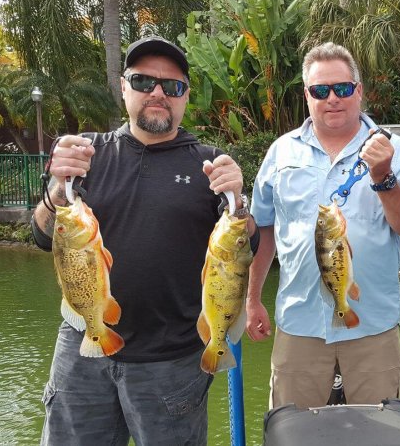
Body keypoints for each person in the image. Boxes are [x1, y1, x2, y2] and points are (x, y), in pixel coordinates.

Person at [31, 36, 258, 445]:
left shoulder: (208, 163)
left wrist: (239, 203)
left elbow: (245, 250)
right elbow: (43, 237)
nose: (157, 93)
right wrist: (56, 187)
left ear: (186, 97)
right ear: (123, 88)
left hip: (172, 361)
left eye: (171, 87)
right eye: (143, 81)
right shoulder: (87, 153)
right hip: (81, 351)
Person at [245, 42, 400, 409]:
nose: (333, 99)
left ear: (358, 91)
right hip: (299, 324)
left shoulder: (394, 150)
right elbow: (264, 229)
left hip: (371, 327)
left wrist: (383, 177)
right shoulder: (281, 152)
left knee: (377, 435)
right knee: (293, 433)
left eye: (342, 88)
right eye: (320, 90)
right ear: (307, 95)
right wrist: (251, 299)